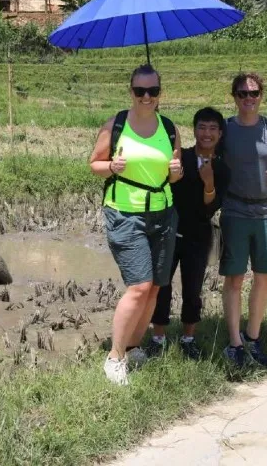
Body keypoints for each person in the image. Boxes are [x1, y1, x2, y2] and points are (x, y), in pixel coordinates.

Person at [89, 64, 183, 386]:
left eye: (153, 91)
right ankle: (114, 357)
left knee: (156, 285)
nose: (146, 97)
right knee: (139, 286)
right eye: (140, 90)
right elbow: (94, 164)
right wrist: (111, 167)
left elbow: (173, 173)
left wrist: (176, 172)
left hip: (164, 213)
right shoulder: (115, 125)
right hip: (125, 214)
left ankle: (132, 346)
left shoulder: (169, 128)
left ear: (160, 93)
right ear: (130, 91)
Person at [219, 72, 267, 367]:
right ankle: (234, 343)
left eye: (253, 93)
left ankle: (253, 337)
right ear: (234, 97)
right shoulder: (225, 129)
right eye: (242, 94)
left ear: (262, 95)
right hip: (235, 210)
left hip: (265, 210)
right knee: (234, 277)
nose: (248, 99)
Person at [147, 107, 228, 360]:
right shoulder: (181, 157)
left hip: (199, 235)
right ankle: (158, 338)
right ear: (194, 131)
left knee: (193, 289)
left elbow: (211, 207)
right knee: (161, 286)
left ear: (220, 133)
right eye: (202, 128)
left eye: (213, 128)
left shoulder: (223, 167)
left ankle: (188, 338)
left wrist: (209, 182)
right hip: (169, 231)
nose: (207, 133)